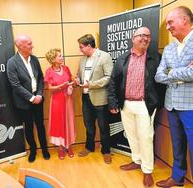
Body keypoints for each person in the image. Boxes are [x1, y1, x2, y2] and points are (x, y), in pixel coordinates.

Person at [108, 27, 161, 187]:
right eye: (141, 36)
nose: (145, 38)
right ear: (133, 38)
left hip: (146, 105)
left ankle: (147, 171)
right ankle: (137, 161)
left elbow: (162, 81)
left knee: (146, 138)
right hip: (126, 104)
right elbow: (113, 81)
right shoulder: (123, 58)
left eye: (148, 36)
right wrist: (112, 101)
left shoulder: (156, 58)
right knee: (131, 135)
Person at [155, 6, 193, 187]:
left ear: (184, 20)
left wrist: (171, 72)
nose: (168, 27)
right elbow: (158, 75)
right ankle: (177, 178)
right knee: (177, 144)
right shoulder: (169, 48)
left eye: (170, 22)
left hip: (191, 105)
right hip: (171, 104)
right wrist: (184, 71)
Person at [6, 35, 50, 163]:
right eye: (29, 44)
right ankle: (33, 150)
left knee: (40, 126)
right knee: (29, 128)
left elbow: (40, 78)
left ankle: (44, 149)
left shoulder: (34, 59)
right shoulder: (12, 62)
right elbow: (15, 85)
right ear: (20, 46)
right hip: (23, 102)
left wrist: (40, 94)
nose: (32, 46)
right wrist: (31, 98)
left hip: (38, 99)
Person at [76, 34, 113, 164]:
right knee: (88, 125)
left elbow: (109, 77)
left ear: (89, 46)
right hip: (86, 98)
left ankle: (106, 151)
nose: (80, 49)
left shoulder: (104, 56)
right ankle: (89, 147)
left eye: (81, 47)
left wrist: (91, 84)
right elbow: (78, 75)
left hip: (100, 99)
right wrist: (77, 80)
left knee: (103, 127)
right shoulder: (82, 60)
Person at [44, 48, 75, 160]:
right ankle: (61, 148)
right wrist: (62, 86)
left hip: (68, 100)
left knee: (69, 122)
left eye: (61, 55)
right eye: (59, 56)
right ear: (53, 59)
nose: (62, 57)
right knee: (59, 123)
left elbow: (71, 81)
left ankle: (69, 146)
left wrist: (72, 84)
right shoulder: (49, 71)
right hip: (56, 100)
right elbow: (50, 89)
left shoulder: (66, 68)